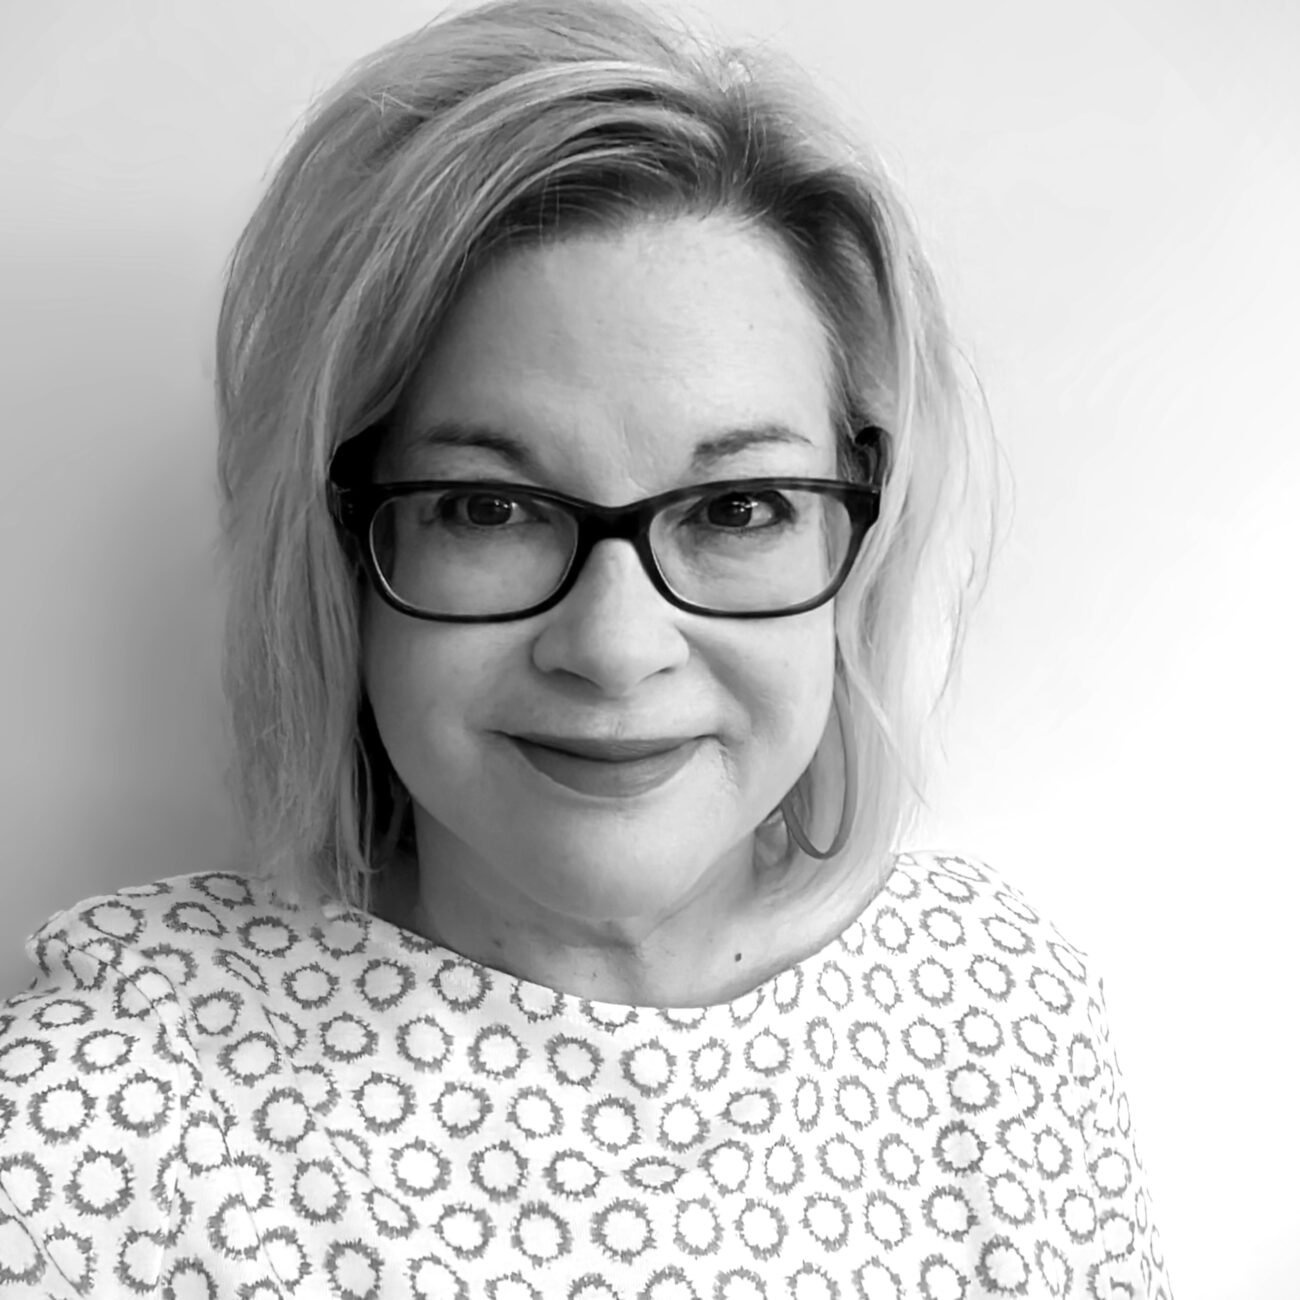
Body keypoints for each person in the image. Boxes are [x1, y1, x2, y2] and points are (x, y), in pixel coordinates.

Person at [0, 0, 1172, 1295]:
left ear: (861, 529)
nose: (616, 649)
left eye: (739, 508)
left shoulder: (1000, 1007)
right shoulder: (110, 1122)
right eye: (487, 509)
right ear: (335, 546)